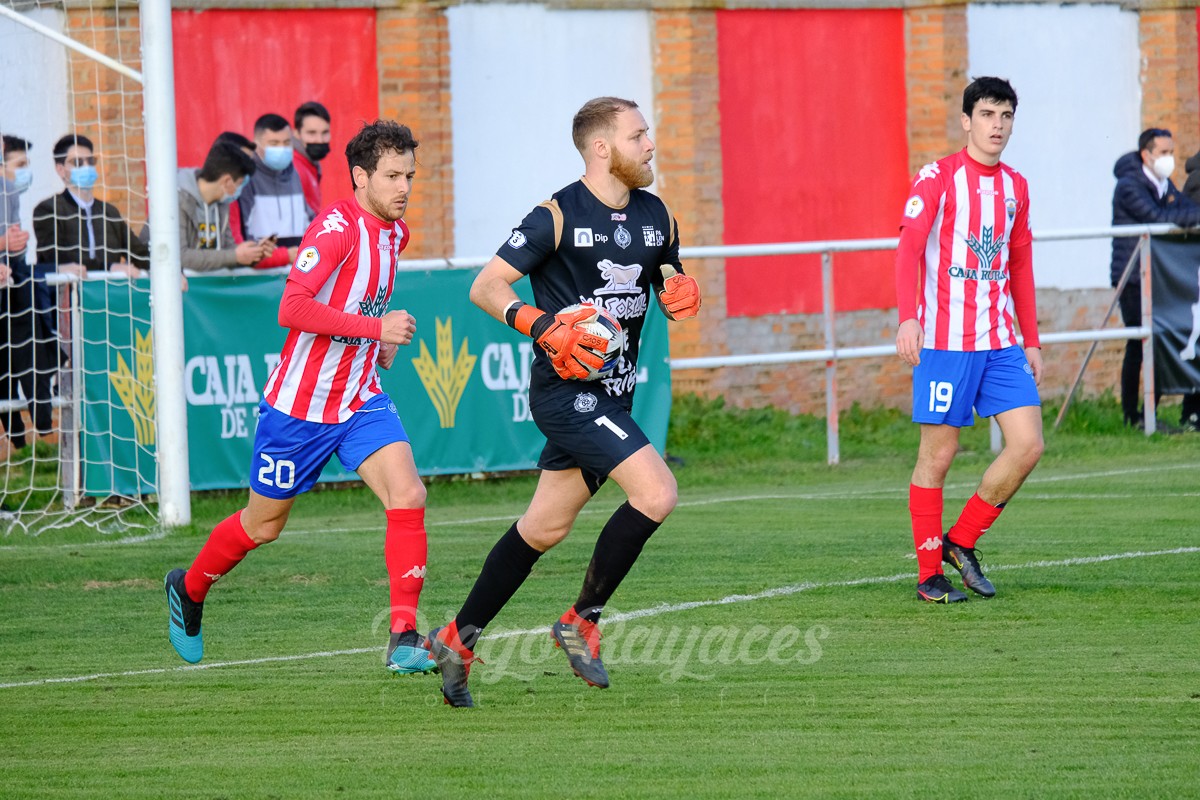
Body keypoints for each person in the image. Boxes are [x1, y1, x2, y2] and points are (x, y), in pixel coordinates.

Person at [427, 96, 702, 707]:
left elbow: (663, 279)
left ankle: (455, 640)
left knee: (544, 527)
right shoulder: (556, 215)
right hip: (565, 394)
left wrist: (677, 289)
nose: (650, 143)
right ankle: (581, 623)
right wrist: (541, 324)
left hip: (615, 396)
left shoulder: (658, 216)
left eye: (647, 132)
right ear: (601, 148)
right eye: (637, 136)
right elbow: (485, 286)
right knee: (656, 492)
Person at [164, 119, 436, 676]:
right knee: (264, 526)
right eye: (391, 176)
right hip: (300, 406)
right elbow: (293, 308)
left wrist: (379, 344)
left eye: (409, 175)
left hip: (359, 397)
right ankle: (188, 588)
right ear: (360, 177)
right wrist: (374, 329)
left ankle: (403, 637)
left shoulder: (395, 232)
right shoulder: (335, 227)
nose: (404, 186)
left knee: (408, 493)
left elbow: (363, 301)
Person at [894, 77, 1044, 604]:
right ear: (966, 121)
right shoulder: (938, 178)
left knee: (1027, 445)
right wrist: (907, 317)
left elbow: (1020, 265)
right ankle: (929, 573)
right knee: (939, 454)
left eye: (1005, 116)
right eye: (987, 115)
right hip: (944, 342)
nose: (997, 125)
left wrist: (1033, 339)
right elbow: (908, 248)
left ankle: (962, 541)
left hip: (1001, 341)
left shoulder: (1017, 186)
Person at [1110, 128, 1200, 430]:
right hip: (1133, 277)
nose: (1169, 158)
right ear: (1146, 155)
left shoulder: (1164, 183)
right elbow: (1156, 217)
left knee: (1160, 340)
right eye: (1163, 153)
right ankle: (1130, 415)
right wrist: (1189, 218)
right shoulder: (1129, 186)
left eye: (1170, 152)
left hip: (1157, 274)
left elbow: (1184, 208)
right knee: (1138, 343)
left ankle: (1150, 412)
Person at [2, 134, 61, 449]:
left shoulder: (9, 193)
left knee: (33, 328)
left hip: (13, 287)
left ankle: (37, 410)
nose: (25, 172)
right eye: (20, 165)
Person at [32, 134, 149, 278]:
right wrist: (108, 267)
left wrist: (173, 270)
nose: (87, 167)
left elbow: (138, 253)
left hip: (107, 294)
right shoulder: (48, 209)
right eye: (77, 162)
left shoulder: (109, 212)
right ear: (60, 169)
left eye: (91, 161)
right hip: (67, 295)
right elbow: (58, 257)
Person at [231, 113, 312, 270]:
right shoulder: (246, 179)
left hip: (298, 271)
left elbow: (308, 221)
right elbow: (242, 243)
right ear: (257, 145)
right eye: (274, 143)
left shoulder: (293, 173)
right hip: (261, 278)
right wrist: (284, 256)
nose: (281, 149)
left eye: (286, 142)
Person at [177, 142, 272, 271]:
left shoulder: (222, 203)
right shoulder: (176, 201)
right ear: (227, 181)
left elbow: (228, 252)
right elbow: (180, 257)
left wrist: (253, 254)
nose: (240, 190)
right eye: (239, 184)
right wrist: (235, 256)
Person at [293, 101, 331, 212]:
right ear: (297, 134)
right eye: (311, 133)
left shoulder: (309, 163)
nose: (319, 140)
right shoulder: (294, 169)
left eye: (325, 132)